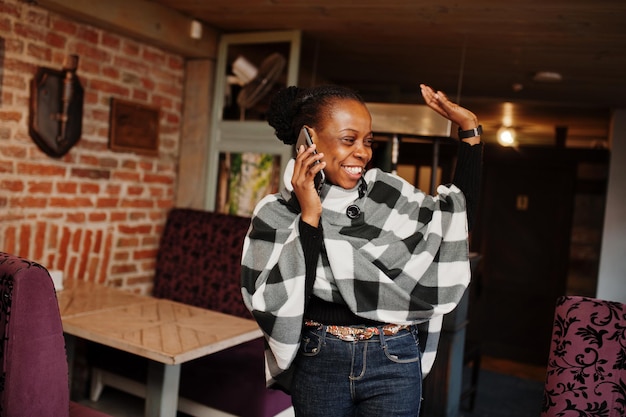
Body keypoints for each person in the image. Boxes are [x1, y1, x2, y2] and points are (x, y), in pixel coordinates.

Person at [241, 83, 482, 416]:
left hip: (395, 358)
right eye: (348, 139)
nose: (363, 153)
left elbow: (455, 221)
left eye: (367, 141)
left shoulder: (388, 193)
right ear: (308, 140)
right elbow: (278, 300)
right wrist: (310, 216)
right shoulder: (276, 212)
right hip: (320, 358)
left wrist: (469, 130)